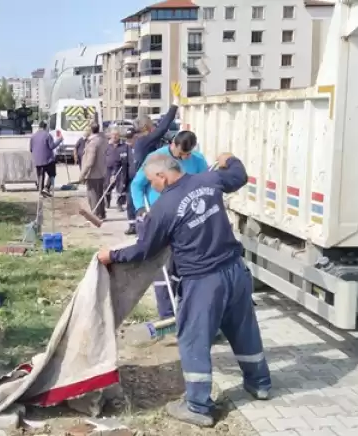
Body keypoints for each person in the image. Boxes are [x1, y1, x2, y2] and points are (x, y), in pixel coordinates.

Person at [97, 152, 271, 427]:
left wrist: (112, 256)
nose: (151, 186)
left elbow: (144, 249)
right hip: (235, 271)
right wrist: (231, 158)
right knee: (244, 330)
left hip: (204, 282)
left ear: (163, 176)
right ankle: (260, 384)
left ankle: (198, 406)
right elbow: (239, 176)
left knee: (193, 339)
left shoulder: (164, 208)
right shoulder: (208, 179)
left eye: (152, 181)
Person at [130, 131, 209, 320]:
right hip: (160, 218)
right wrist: (141, 208)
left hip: (186, 221)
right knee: (162, 269)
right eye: (181, 154)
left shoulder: (197, 160)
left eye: (187, 155)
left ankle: (186, 310)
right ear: (173, 144)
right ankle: (166, 315)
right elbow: (137, 185)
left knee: (184, 268)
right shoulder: (156, 158)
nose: (184, 158)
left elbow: (205, 185)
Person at [133, 94, 180, 171]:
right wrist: (175, 103)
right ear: (145, 127)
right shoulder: (144, 140)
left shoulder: (140, 141)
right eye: (151, 124)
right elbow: (162, 128)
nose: (154, 126)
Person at [79, 122, 109, 220]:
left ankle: (96, 214)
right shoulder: (103, 140)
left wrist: (83, 174)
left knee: (93, 194)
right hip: (102, 171)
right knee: (100, 193)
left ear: (91, 130)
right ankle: (102, 214)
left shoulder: (92, 143)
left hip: (93, 173)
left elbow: (90, 161)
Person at [29, 120, 63, 197]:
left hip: (37, 160)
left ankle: (41, 190)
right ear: (45, 127)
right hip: (48, 160)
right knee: (52, 174)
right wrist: (59, 140)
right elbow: (52, 146)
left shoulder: (33, 136)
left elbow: (31, 149)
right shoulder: (48, 135)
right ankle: (47, 188)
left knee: (41, 175)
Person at [118, 129, 138, 234]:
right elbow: (120, 164)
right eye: (128, 138)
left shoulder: (141, 147)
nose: (129, 140)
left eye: (131, 138)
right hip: (130, 181)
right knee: (130, 204)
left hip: (141, 181)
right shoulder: (125, 149)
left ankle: (141, 226)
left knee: (139, 204)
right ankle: (132, 226)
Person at [104, 128, 124, 210]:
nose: (115, 136)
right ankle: (107, 202)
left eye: (116, 135)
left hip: (120, 169)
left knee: (120, 188)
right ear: (110, 136)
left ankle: (119, 204)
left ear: (119, 136)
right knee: (107, 187)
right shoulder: (107, 146)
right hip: (108, 169)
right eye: (113, 134)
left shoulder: (123, 146)